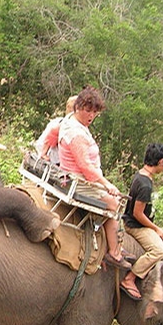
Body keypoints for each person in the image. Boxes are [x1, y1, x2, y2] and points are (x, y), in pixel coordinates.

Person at [57, 85, 131, 269]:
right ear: (78, 107)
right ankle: (114, 251)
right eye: (88, 110)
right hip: (80, 182)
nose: (91, 116)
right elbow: (86, 167)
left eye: (95, 112)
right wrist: (107, 185)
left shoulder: (69, 122)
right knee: (115, 204)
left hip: (77, 177)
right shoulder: (75, 133)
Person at [119, 143, 163, 300]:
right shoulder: (145, 185)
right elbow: (138, 213)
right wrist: (156, 229)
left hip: (139, 224)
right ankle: (130, 278)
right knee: (159, 250)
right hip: (136, 226)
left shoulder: (141, 175)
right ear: (161, 161)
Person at [35, 95, 77, 164]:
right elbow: (53, 132)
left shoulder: (59, 122)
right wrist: (44, 153)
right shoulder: (65, 124)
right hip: (52, 161)